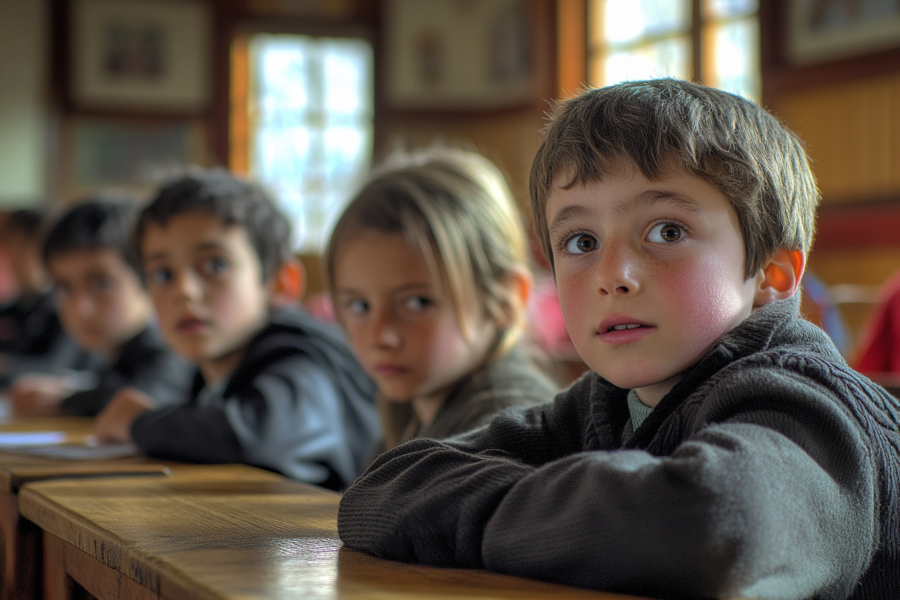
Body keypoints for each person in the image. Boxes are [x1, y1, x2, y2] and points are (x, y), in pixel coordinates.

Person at [337, 80, 900, 599]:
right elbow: (380, 490)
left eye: (667, 231)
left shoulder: (808, 406)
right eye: (580, 241)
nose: (612, 274)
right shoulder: (604, 403)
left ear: (771, 274)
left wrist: (469, 515)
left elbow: (709, 528)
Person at [93, 169, 380, 490]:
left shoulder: (298, 355)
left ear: (280, 284)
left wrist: (139, 423)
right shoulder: (211, 373)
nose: (183, 291)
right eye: (162, 275)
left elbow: (267, 437)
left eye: (216, 265)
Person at [325, 147, 557, 453]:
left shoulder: (508, 428)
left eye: (416, 303)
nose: (380, 336)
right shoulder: (410, 411)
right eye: (359, 306)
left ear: (506, 299)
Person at [9, 200, 192, 416]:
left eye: (101, 284)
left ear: (149, 279)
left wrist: (65, 401)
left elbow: (145, 399)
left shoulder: (170, 350)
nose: (81, 308)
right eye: (65, 287)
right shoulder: (112, 356)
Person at [0, 208, 92, 386]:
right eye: (11, 248)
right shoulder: (11, 310)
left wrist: (5, 365)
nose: (15, 259)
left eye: (24, 247)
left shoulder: (66, 306)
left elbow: (55, 368)